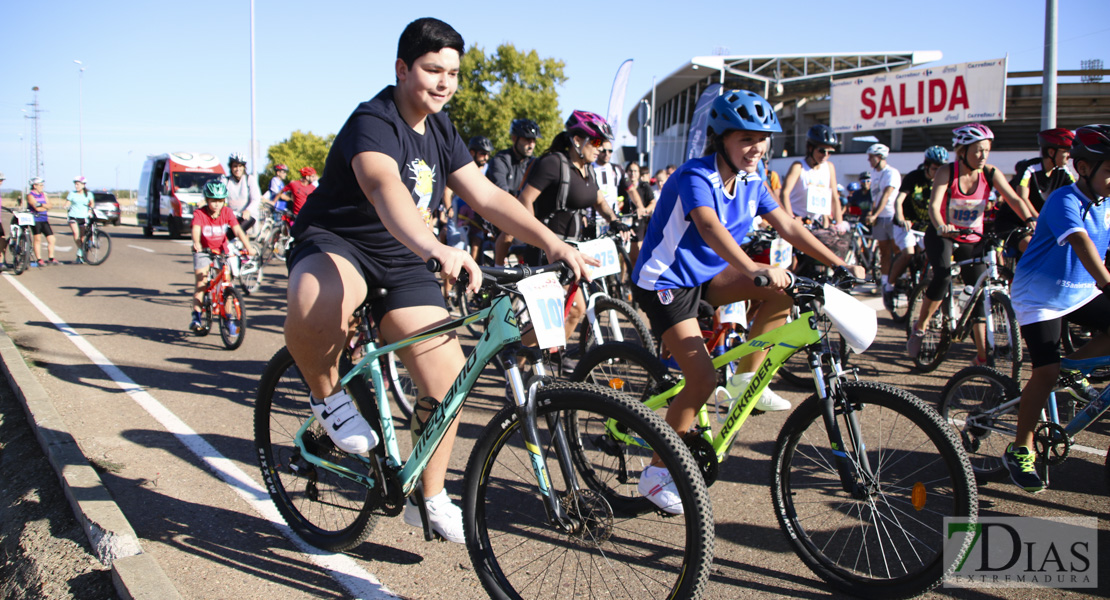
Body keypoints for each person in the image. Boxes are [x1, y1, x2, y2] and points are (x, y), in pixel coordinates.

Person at [284, 18, 590, 544]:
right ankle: (327, 398)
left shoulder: (443, 129)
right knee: (321, 296)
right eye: (432, 70)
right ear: (402, 68)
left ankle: (428, 496)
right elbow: (385, 191)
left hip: (402, 260)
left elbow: (489, 198)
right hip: (342, 244)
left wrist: (552, 243)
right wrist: (435, 247)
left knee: (448, 377)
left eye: (452, 73)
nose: (444, 82)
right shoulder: (373, 121)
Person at [630, 90, 865, 513]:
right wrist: (751, 267)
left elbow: (790, 227)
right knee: (701, 380)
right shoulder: (695, 175)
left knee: (785, 292)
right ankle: (654, 473)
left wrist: (840, 264)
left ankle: (744, 380)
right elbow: (708, 226)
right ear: (721, 139)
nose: (755, 147)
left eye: (762, 138)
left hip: (707, 277)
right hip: (664, 281)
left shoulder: (754, 180)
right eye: (745, 139)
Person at [1003, 124, 1110, 493]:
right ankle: (1020, 449)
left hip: (1079, 291)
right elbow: (1081, 242)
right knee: (1045, 373)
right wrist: (1108, 282)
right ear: (1084, 168)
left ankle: (1074, 368)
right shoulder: (1065, 200)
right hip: (1039, 298)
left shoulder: (1108, 202)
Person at [907, 124, 1037, 362]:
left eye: (986, 150)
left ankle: (982, 356)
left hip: (971, 236)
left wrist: (1031, 220)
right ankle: (921, 326)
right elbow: (934, 206)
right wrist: (940, 225)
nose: (982, 156)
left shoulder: (990, 173)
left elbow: (1014, 199)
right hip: (942, 233)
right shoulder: (947, 171)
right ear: (962, 151)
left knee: (979, 286)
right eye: (977, 150)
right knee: (944, 275)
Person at [516, 110, 624, 345]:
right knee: (549, 319)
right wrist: (538, 239)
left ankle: (548, 358)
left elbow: (599, 201)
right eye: (595, 141)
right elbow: (525, 200)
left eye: (602, 143)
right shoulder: (554, 163)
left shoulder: (587, 168)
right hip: (547, 249)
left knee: (575, 311)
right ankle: (514, 358)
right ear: (577, 140)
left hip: (572, 250)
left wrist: (614, 220)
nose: (600, 148)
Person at [886, 146, 949, 311]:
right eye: (935, 168)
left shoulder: (943, 181)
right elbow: (899, 201)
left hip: (928, 227)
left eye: (941, 168)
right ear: (927, 165)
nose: (938, 172)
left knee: (932, 258)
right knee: (908, 254)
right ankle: (889, 286)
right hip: (907, 224)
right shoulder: (914, 177)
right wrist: (900, 218)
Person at [190, 181, 254, 332]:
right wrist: (196, 243)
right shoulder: (200, 213)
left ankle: (228, 318)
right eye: (213, 200)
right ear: (207, 200)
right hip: (204, 251)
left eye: (220, 201)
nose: (217, 204)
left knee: (227, 284)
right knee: (201, 283)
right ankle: (197, 317)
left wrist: (249, 247)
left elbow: (238, 230)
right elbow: (196, 229)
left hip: (222, 251)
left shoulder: (227, 212)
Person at [996, 128, 1075, 250]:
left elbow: (1076, 193)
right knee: (1033, 248)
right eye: (1065, 151)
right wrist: (1038, 219)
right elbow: (1022, 197)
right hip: (1015, 222)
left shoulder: (1064, 171)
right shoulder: (1030, 168)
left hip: (1040, 224)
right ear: (1051, 152)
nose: (1069, 156)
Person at [862, 144, 910, 302]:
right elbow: (875, 197)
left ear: (880, 157)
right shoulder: (874, 173)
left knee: (898, 251)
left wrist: (875, 214)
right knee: (883, 252)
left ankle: (900, 281)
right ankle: (884, 283)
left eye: (871, 157)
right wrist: (872, 211)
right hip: (879, 217)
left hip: (891, 215)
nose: (869, 160)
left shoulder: (892, 172)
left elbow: (887, 195)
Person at [489, 118, 540, 265]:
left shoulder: (534, 163)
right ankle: (498, 271)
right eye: (527, 139)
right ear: (514, 138)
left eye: (534, 140)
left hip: (522, 211)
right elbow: (501, 193)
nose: (531, 144)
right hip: (496, 209)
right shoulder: (501, 160)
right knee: (509, 231)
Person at [781, 124, 846, 230]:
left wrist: (839, 223)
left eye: (830, 152)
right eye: (821, 151)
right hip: (799, 219)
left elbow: (834, 197)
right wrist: (791, 218)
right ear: (810, 148)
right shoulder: (799, 166)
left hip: (819, 221)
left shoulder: (829, 167)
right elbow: (784, 193)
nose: (825, 155)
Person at [224, 152, 262, 233]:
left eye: (240, 166)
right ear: (231, 167)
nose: (238, 169)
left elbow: (256, 199)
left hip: (248, 215)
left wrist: (248, 210)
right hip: (232, 216)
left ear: (244, 167)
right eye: (235, 166)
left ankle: (246, 246)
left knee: (236, 233)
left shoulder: (249, 179)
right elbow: (218, 194)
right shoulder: (226, 181)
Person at [26, 177, 57, 266]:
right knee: (37, 239)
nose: (42, 187)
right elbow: (37, 208)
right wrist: (45, 206)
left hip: (44, 219)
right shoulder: (30, 195)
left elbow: (50, 205)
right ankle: (39, 259)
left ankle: (51, 258)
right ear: (35, 186)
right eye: (40, 185)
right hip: (35, 220)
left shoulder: (43, 194)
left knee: (52, 239)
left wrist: (43, 205)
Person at [66, 176, 95, 263]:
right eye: (75, 184)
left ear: (83, 185)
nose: (76, 186)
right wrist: (66, 205)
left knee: (82, 238)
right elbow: (67, 202)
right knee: (76, 235)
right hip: (73, 216)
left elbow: (92, 203)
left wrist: (90, 210)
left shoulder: (88, 194)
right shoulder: (72, 194)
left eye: (78, 184)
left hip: (84, 217)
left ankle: (80, 253)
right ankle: (81, 250)